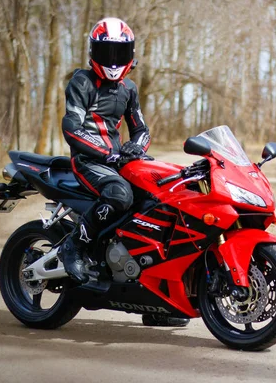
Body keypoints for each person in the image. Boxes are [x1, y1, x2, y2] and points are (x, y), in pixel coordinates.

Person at [59, 17, 189, 328]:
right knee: (120, 194)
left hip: (118, 161)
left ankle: (155, 300)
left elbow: (141, 129)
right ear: (94, 52)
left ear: (130, 54)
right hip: (88, 162)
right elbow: (72, 129)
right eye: (107, 53)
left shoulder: (129, 88)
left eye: (120, 53)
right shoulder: (82, 82)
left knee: (160, 198)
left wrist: (135, 148)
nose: (113, 61)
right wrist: (109, 153)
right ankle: (74, 245)